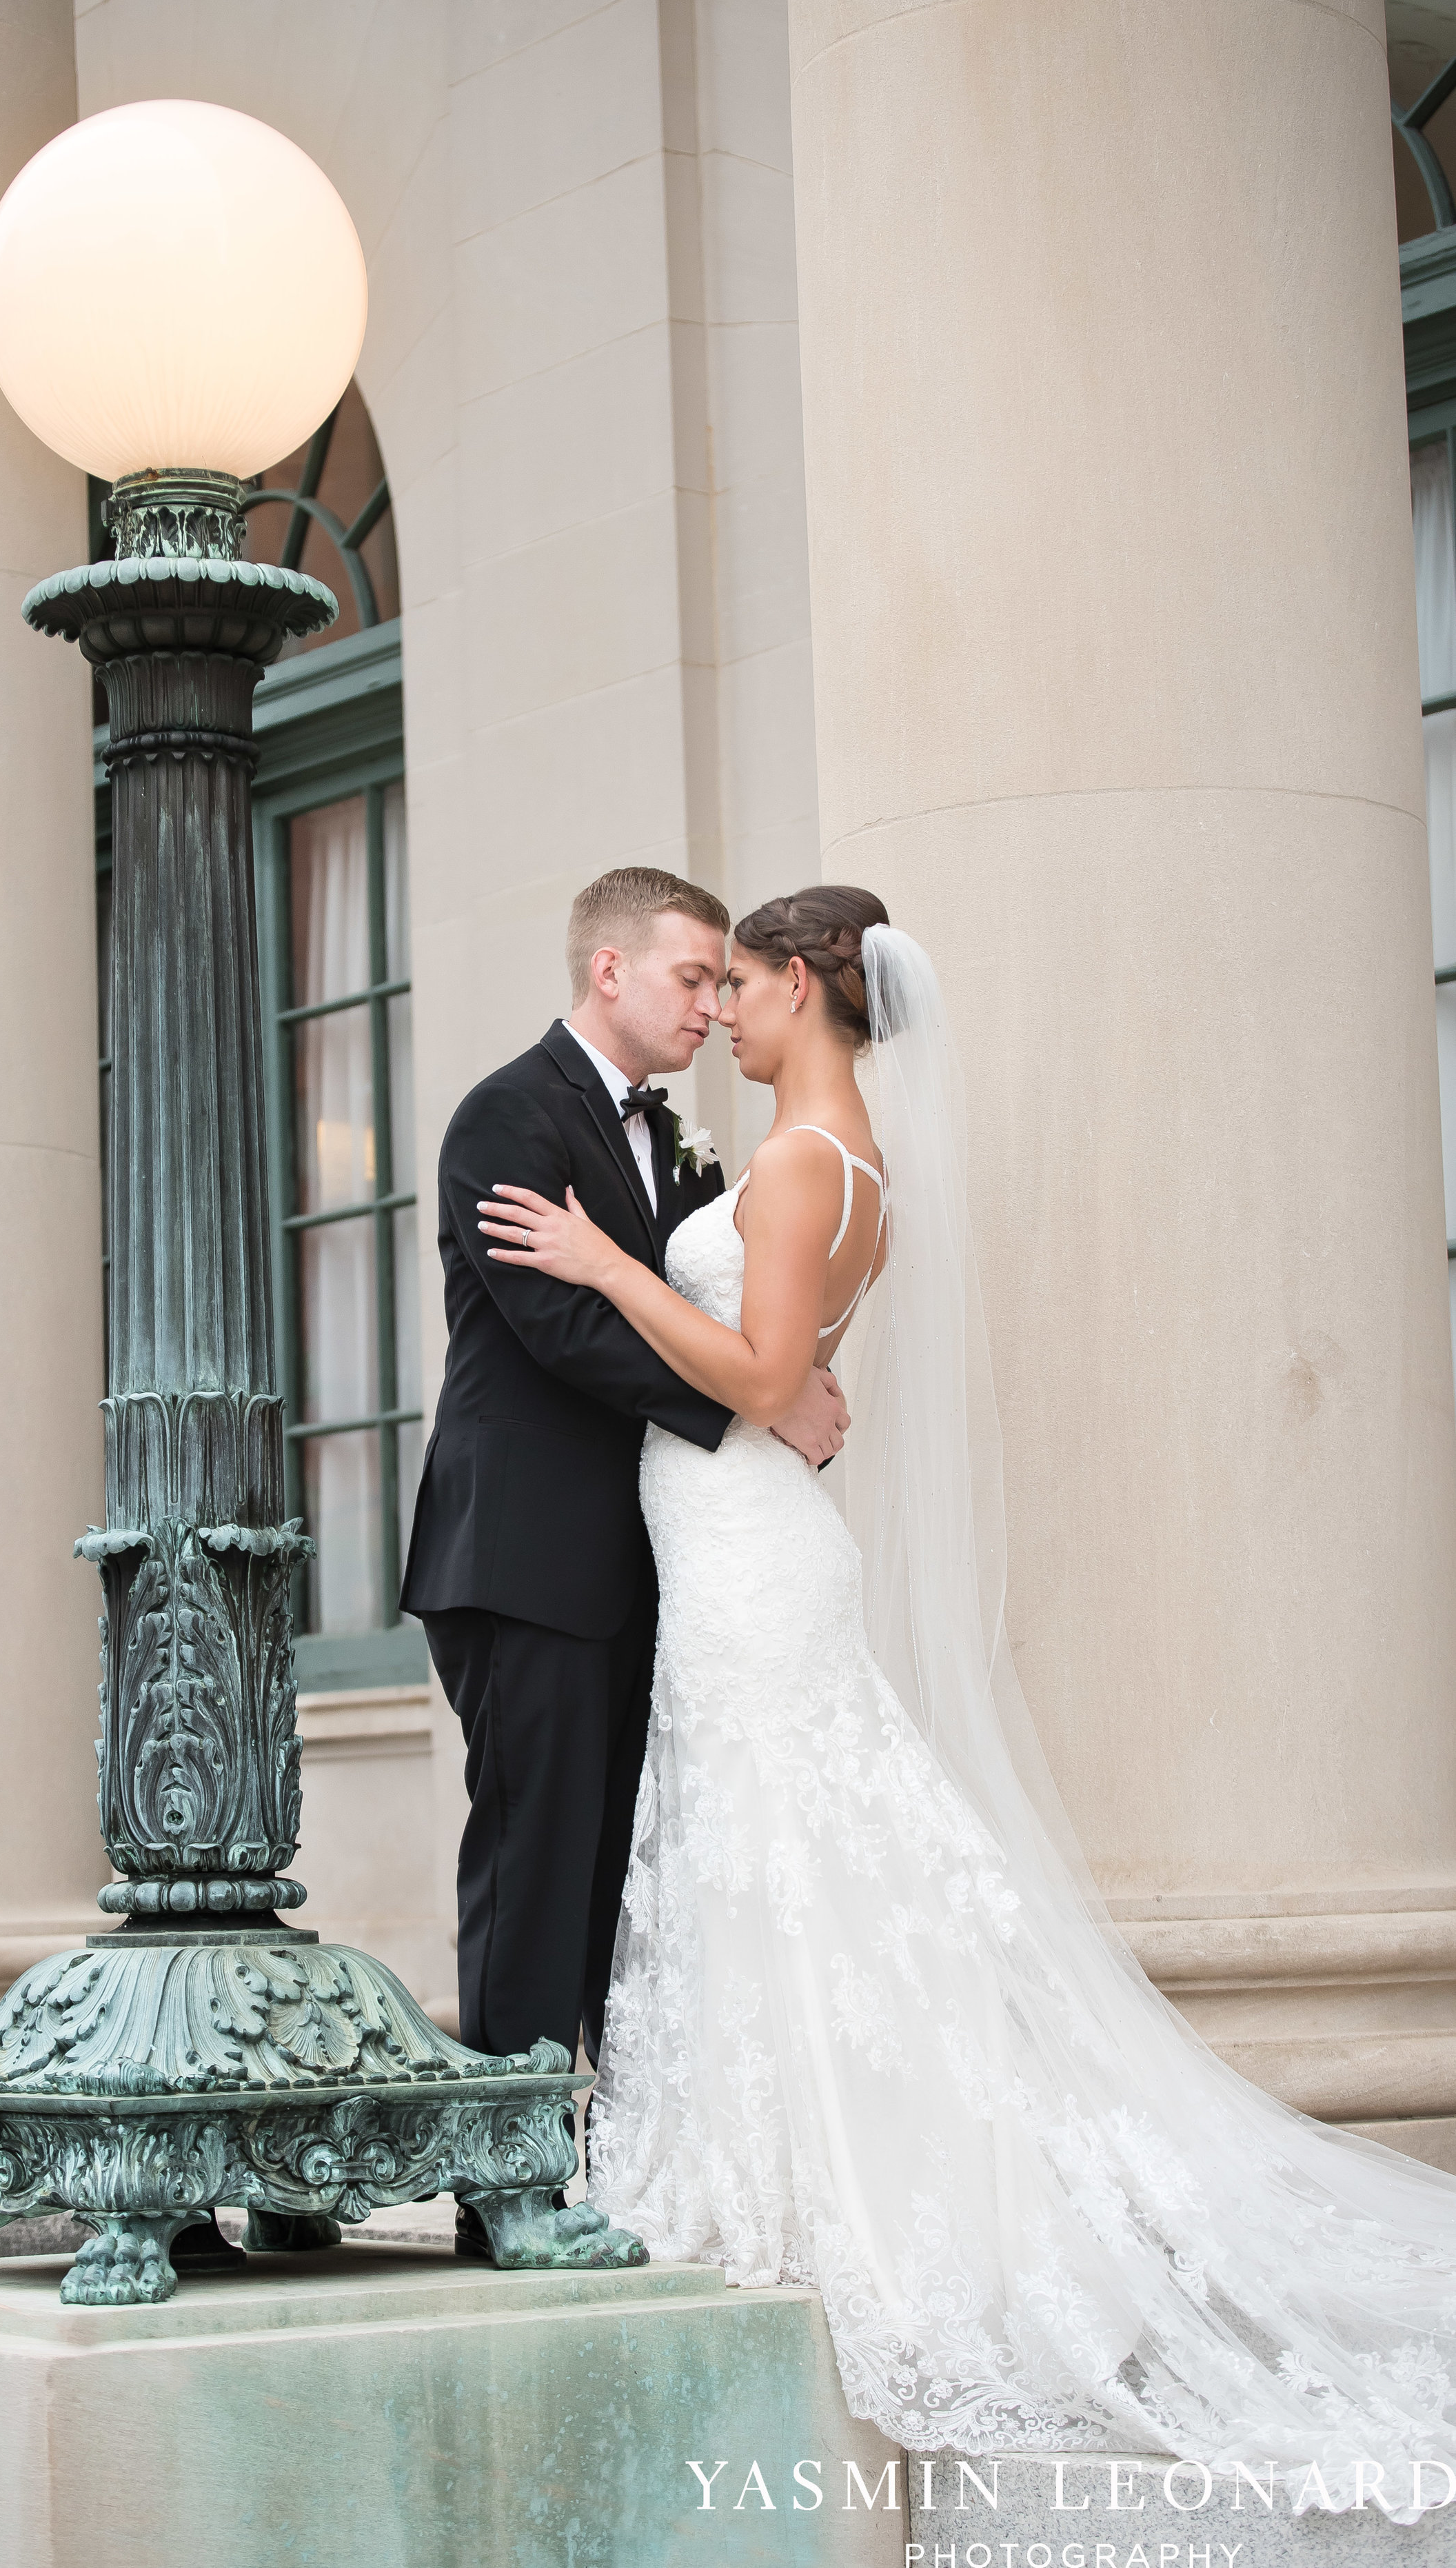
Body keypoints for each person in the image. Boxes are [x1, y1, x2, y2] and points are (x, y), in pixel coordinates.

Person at [475, 885, 1456, 2522]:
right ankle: (777, 2158)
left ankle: (824, 2191)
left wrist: (597, 1259)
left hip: (744, 1551)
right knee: (788, 1857)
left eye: (744, 988)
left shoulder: (799, 1161)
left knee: (782, 1845)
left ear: (802, 986)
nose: (723, 1012)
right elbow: (790, 1376)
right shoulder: (844, 1157)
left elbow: (761, 1380)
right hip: (736, 1543)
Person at [400, 865, 849, 2263]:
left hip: (659, 1563)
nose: (712, 1004)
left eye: (726, 982)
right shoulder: (506, 1115)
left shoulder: (676, 1142)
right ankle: (509, 2183)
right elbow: (558, 1329)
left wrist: (771, 1374)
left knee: (622, 1875)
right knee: (537, 1865)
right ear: (609, 972)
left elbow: (692, 1301)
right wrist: (751, 1403)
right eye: (691, 978)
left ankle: (613, 2162)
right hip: (525, 1558)